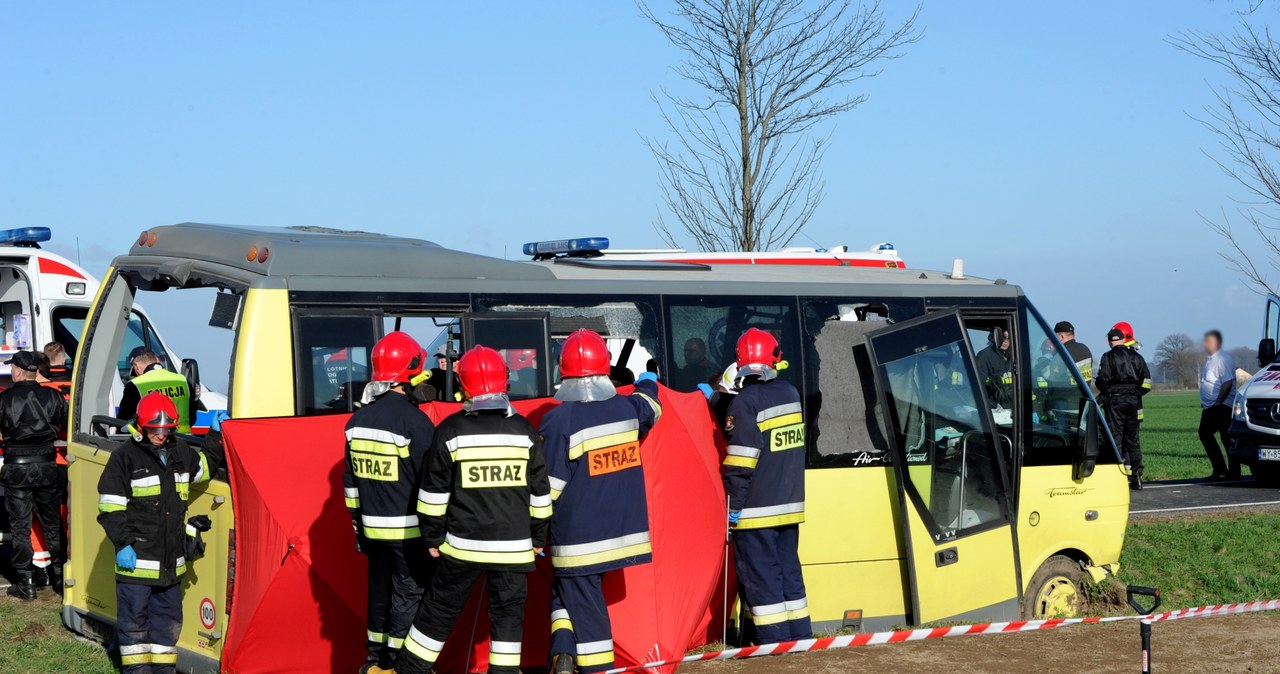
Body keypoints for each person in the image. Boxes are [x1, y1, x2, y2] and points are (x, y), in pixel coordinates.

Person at [396, 345, 551, 674]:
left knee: (438, 612)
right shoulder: (524, 432)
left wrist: (433, 538)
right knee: (508, 616)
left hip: (462, 548)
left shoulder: (450, 430)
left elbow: (432, 494)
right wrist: (538, 538)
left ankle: (410, 670)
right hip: (514, 548)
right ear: (504, 381)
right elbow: (540, 493)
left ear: (463, 384)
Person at [542, 329, 661, 674]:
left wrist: (532, 529)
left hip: (578, 542)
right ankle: (562, 654)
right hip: (622, 535)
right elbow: (651, 407)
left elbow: (548, 489)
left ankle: (594, 668)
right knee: (565, 594)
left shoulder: (558, 420)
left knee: (587, 611)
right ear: (604, 367)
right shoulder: (626, 408)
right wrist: (649, 380)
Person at [97, 392, 222, 674]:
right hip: (137, 564)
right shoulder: (124, 459)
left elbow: (203, 468)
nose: (161, 436)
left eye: (166, 430)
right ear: (141, 427)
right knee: (134, 628)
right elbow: (110, 508)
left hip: (170, 565)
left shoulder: (180, 452)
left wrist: (215, 436)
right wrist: (124, 543)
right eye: (155, 430)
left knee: (167, 625)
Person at [344, 332, 436, 674]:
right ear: (411, 373)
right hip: (408, 533)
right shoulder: (416, 422)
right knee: (407, 596)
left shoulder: (357, 422)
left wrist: (358, 525)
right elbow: (430, 485)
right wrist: (434, 534)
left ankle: (374, 661)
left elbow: (350, 483)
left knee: (379, 594)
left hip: (371, 531)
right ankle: (400, 664)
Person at [722, 328, 811, 643]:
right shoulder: (790, 393)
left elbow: (740, 464)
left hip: (756, 512)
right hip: (789, 508)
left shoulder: (745, 402)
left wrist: (732, 509)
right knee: (789, 576)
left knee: (762, 580)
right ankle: (800, 640)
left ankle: (774, 646)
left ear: (740, 362)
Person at [1, 350, 69, 600]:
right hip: (47, 465)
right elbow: (67, 425)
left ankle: (26, 582)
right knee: (52, 523)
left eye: (12, 368)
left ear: (19, 371)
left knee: (20, 526)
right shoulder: (53, 396)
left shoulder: (5, 398)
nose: (11, 372)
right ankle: (61, 578)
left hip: (17, 466)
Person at [1096, 327, 1152, 490]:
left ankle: (1117, 477)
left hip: (1115, 402)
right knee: (1133, 441)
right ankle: (1137, 477)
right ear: (1124, 340)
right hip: (1134, 402)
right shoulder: (1137, 357)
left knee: (1115, 439)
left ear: (1109, 342)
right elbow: (1147, 383)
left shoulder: (1107, 357)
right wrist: (1135, 393)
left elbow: (1102, 381)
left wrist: (1110, 391)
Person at [118, 350, 194, 434]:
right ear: (157, 360)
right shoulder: (183, 380)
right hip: (183, 439)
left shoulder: (135, 385)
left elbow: (123, 421)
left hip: (153, 440)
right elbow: (192, 416)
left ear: (136, 366)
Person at [1199, 330, 1238, 480]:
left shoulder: (1222, 359)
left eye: (1208, 341)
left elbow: (1227, 382)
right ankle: (1223, 470)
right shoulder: (1211, 359)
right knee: (1210, 435)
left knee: (1221, 437)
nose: (1205, 344)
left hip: (1221, 406)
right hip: (1211, 406)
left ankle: (1228, 471)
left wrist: (1219, 402)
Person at [975, 328, 1014, 408]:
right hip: (994, 408)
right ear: (993, 338)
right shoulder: (984, 356)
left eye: (1008, 339)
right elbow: (978, 386)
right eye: (1002, 338)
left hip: (1014, 408)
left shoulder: (1015, 356)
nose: (1005, 341)